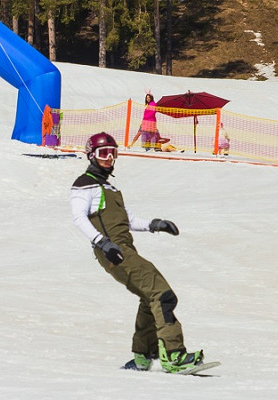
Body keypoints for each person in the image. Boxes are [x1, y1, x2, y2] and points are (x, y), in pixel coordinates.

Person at [69, 132, 204, 373]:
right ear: (91, 155)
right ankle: (173, 355)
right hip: (112, 251)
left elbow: (128, 219)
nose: (109, 158)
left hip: (123, 249)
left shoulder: (108, 187)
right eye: (103, 153)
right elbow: (79, 218)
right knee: (162, 294)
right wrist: (102, 243)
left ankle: (143, 355)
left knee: (148, 296)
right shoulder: (84, 184)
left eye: (113, 153)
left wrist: (155, 224)